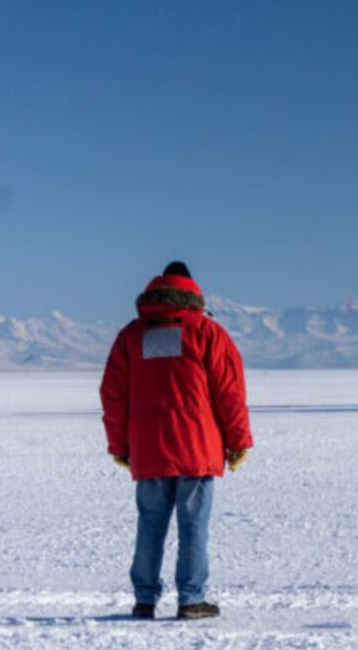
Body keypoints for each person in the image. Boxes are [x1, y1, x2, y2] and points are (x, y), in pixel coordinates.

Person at [101, 262, 252, 621]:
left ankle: (144, 600)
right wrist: (238, 441)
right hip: (196, 448)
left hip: (148, 448)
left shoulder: (131, 336)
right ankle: (191, 599)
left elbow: (113, 395)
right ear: (192, 292)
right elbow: (229, 393)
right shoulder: (207, 332)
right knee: (193, 525)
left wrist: (119, 446)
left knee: (150, 524)